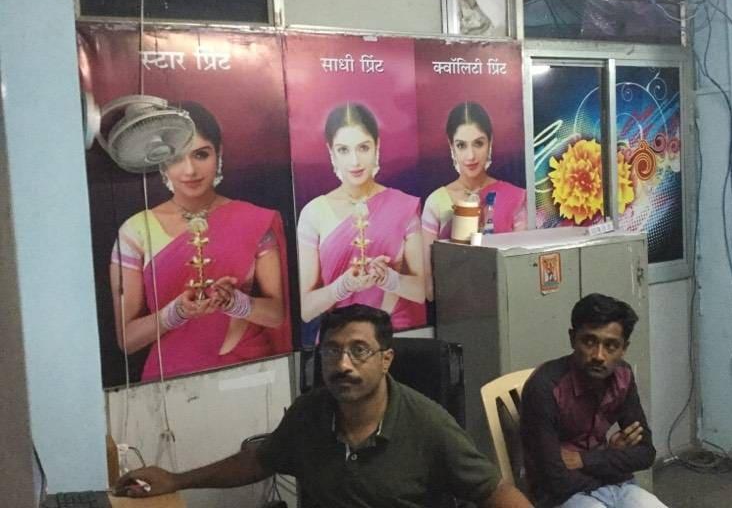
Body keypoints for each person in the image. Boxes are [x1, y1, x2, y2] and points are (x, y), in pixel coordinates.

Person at [115, 304, 533, 507]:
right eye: (332, 352)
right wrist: (176, 479)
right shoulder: (310, 413)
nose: (343, 365)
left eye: (359, 351)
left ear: (386, 359)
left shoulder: (428, 425)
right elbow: (259, 461)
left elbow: (495, 490)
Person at [110, 101, 291, 382]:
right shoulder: (136, 231)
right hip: (173, 379)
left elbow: (276, 315)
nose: (189, 170)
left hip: (252, 368)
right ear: (161, 162)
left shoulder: (253, 220)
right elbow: (128, 340)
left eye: (201, 154)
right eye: (176, 158)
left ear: (219, 154)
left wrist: (237, 303)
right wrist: (176, 313)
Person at [519, 294, 667, 508]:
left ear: (624, 348)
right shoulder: (545, 387)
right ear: (573, 339)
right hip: (560, 494)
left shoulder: (623, 377)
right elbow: (553, 478)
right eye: (589, 342)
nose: (599, 355)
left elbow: (645, 453)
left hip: (614, 484)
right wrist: (612, 462)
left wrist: (585, 459)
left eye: (611, 346)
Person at [296, 102, 426, 343]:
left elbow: (420, 292)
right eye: (343, 150)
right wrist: (343, 286)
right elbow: (306, 310)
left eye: (363, 147)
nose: (355, 161)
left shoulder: (403, 206)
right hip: (340, 342)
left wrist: (388, 279)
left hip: (397, 336)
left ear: (377, 147)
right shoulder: (314, 213)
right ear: (331, 152)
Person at [422, 101, 527, 299]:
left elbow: (522, 268)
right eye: (461, 145)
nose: (470, 156)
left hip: (507, 300)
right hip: (453, 305)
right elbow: (429, 288)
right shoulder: (436, 202)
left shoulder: (515, 198)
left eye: (478, 143)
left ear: (490, 143)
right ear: (451, 147)